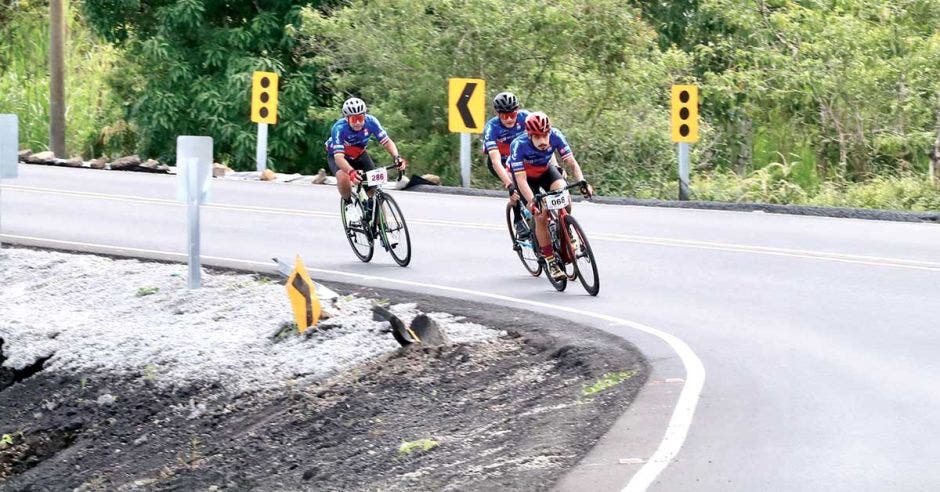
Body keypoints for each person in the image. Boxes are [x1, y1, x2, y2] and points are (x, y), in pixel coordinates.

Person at [507, 111, 593, 280]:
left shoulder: (556, 136)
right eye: (538, 137)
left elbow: (571, 162)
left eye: (546, 135)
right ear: (529, 135)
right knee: (540, 215)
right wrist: (532, 202)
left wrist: (582, 181)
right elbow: (521, 180)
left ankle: (566, 228)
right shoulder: (518, 145)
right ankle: (550, 260)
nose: (544, 141)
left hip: (545, 171)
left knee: (565, 197)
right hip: (525, 178)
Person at [325, 97, 407, 214]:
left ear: (365, 116)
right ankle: (348, 204)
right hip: (339, 156)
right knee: (344, 177)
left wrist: (397, 157)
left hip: (359, 154)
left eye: (360, 118)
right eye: (354, 119)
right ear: (347, 118)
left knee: (373, 189)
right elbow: (338, 157)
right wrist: (351, 172)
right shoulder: (338, 128)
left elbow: (387, 141)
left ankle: (377, 220)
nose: (358, 122)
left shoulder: (371, 122)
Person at [481, 92, 537, 239]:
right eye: (505, 116)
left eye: (513, 114)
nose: (510, 119)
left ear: (517, 111)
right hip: (500, 162)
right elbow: (495, 161)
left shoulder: (525, 118)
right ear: (498, 114)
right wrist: (509, 184)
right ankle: (518, 218)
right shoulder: (491, 127)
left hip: (520, 158)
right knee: (515, 182)